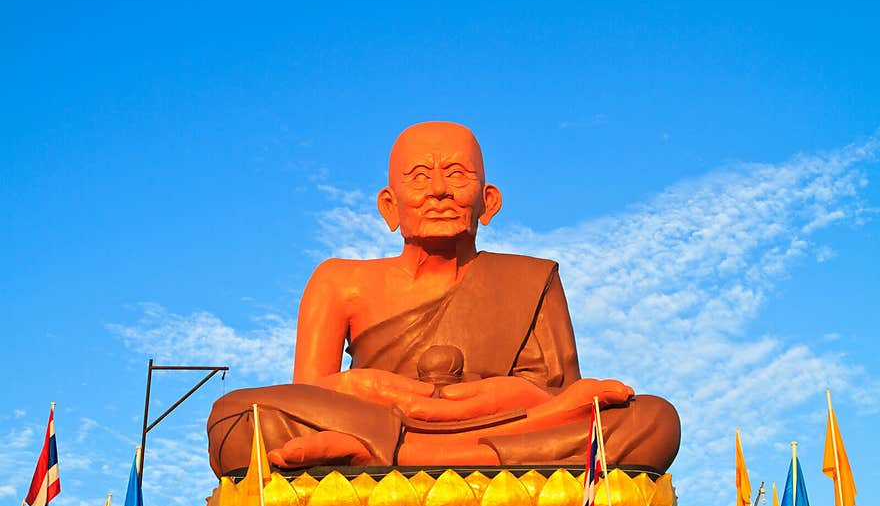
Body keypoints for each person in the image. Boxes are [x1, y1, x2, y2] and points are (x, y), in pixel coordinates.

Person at [207, 121, 680, 478]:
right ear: (390, 205)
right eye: (419, 177)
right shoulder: (340, 281)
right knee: (238, 418)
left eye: (456, 174)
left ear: (487, 200)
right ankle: (414, 453)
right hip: (421, 430)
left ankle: (387, 458)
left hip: (493, 426)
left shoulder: (531, 279)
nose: (438, 191)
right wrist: (369, 389)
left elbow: (564, 395)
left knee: (654, 421)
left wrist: (507, 398)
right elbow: (306, 397)